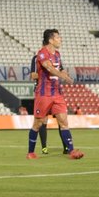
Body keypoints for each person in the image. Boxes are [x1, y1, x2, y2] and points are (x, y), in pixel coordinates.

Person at [28, 29, 84, 160]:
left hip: (57, 93)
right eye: (58, 37)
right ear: (50, 40)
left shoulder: (57, 54)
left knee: (63, 121)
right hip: (43, 94)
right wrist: (63, 77)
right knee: (38, 123)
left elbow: (60, 69)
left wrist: (66, 75)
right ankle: (30, 152)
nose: (61, 39)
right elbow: (49, 68)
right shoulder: (42, 54)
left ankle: (71, 151)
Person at [29, 54, 68, 154]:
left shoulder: (57, 57)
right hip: (42, 94)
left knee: (61, 119)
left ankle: (66, 147)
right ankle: (44, 147)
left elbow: (61, 70)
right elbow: (33, 75)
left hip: (55, 92)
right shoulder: (37, 57)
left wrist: (63, 74)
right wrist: (49, 75)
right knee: (42, 121)